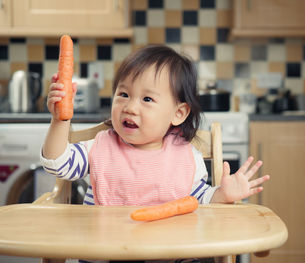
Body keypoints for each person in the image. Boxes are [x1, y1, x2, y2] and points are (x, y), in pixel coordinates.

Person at [40, 45, 270, 262]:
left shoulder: (185, 156)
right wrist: (60, 120)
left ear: (178, 113)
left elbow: (198, 200)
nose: (130, 107)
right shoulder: (99, 147)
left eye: (147, 99)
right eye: (123, 94)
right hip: (106, 253)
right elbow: (57, 164)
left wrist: (222, 194)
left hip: (171, 254)